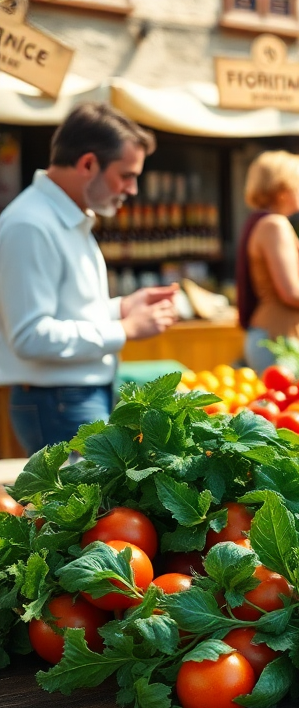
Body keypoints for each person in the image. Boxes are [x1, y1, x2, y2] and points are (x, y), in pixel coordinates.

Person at [0, 103, 176, 454]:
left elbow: (68, 316)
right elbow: (30, 336)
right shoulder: (30, 224)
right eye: (126, 175)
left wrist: (123, 308)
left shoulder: (61, 217)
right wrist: (125, 329)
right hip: (59, 402)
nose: (132, 188)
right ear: (88, 164)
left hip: (69, 399)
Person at [236, 151, 299, 370]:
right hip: (279, 339)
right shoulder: (274, 225)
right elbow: (290, 290)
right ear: (283, 191)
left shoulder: (265, 223)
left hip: (277, 337)